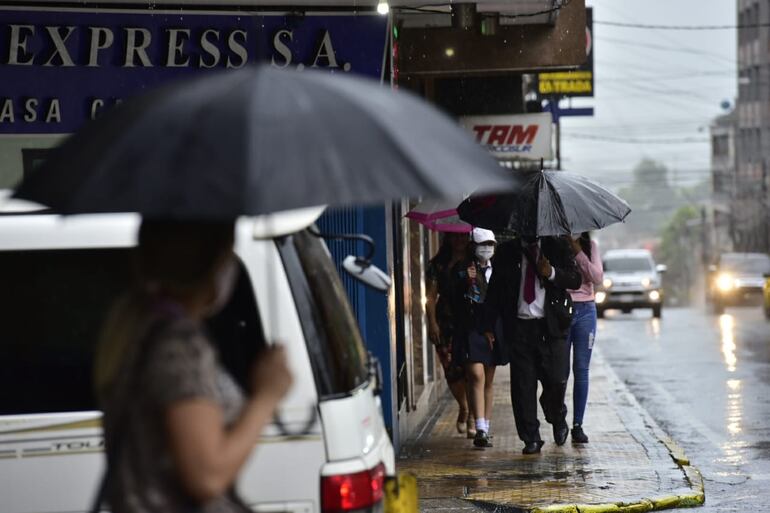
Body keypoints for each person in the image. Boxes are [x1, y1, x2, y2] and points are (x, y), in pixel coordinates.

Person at [94, 219, 293, 513]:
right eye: (227, 254)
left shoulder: (134, 325)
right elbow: (207, 476)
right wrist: (267, 395)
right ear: (211, 264)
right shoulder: (179, 344)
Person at [483, 235, 581, 455]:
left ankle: (557, 416)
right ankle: (531, 437)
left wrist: (551, 273)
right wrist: (488, 325)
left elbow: (576, 279)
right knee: (523, 386)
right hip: (519, 328)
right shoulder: (507, 252)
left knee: (556, 380)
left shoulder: (556, 246)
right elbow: (495, 291)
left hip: (551, 328)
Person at [450, 228, 507, 449]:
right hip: (471, 329)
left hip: (494, 329)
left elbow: (503, 301)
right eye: (482, 244)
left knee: (488, 380)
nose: (487, 248)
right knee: (475, 374)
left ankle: (485, 427)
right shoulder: (462, 270)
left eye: (490, 244)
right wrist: (467, 281)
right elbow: (454, 299)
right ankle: (479, 426)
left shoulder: (499, 270)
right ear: (472, 246)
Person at [426, 232, 474, 436]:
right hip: (444, 321)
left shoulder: (474, 262)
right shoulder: (437, 264)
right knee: (451, 369)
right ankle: (464, 406)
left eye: (463, 236)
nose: (459, 240)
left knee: (470, 369)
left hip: (469, 320)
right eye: (455, 236)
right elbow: (429, 297)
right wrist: (433, 323)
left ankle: (473, 415)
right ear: (447, 238)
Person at [565, 232, 603, 444]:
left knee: (581, 369)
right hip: (561, 310)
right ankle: (558, 418)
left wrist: (578, 251)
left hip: (586, 310)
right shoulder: (555, 243)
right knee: (559, 370)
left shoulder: (591, 246)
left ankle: (577, 425)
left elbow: (597, 277)